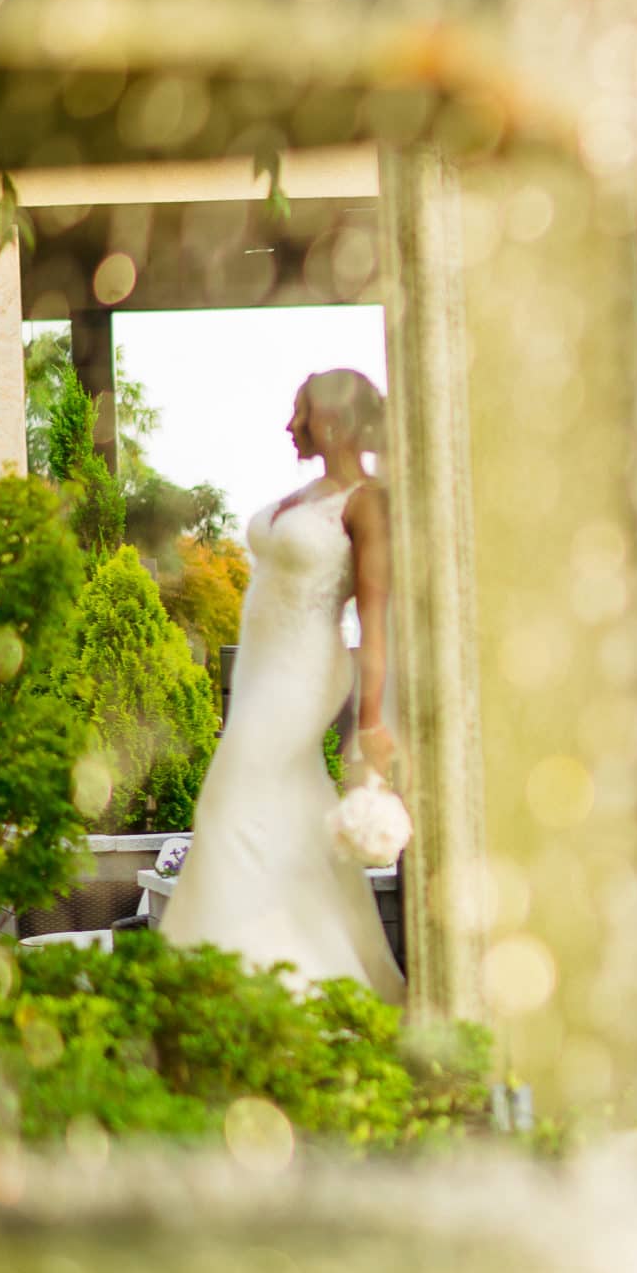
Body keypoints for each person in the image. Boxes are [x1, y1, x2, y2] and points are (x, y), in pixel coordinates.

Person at [159, 368, 405, 1001]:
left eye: (299, 412)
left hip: (305, 671)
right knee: (287, 810)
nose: (289, 425)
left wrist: (370, 720)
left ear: (333, 421)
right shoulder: (306, 495)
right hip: (263, 671)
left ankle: (236, 976)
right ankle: (322, 976)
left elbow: (374, 616)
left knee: (230, 801)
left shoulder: (367, 503)